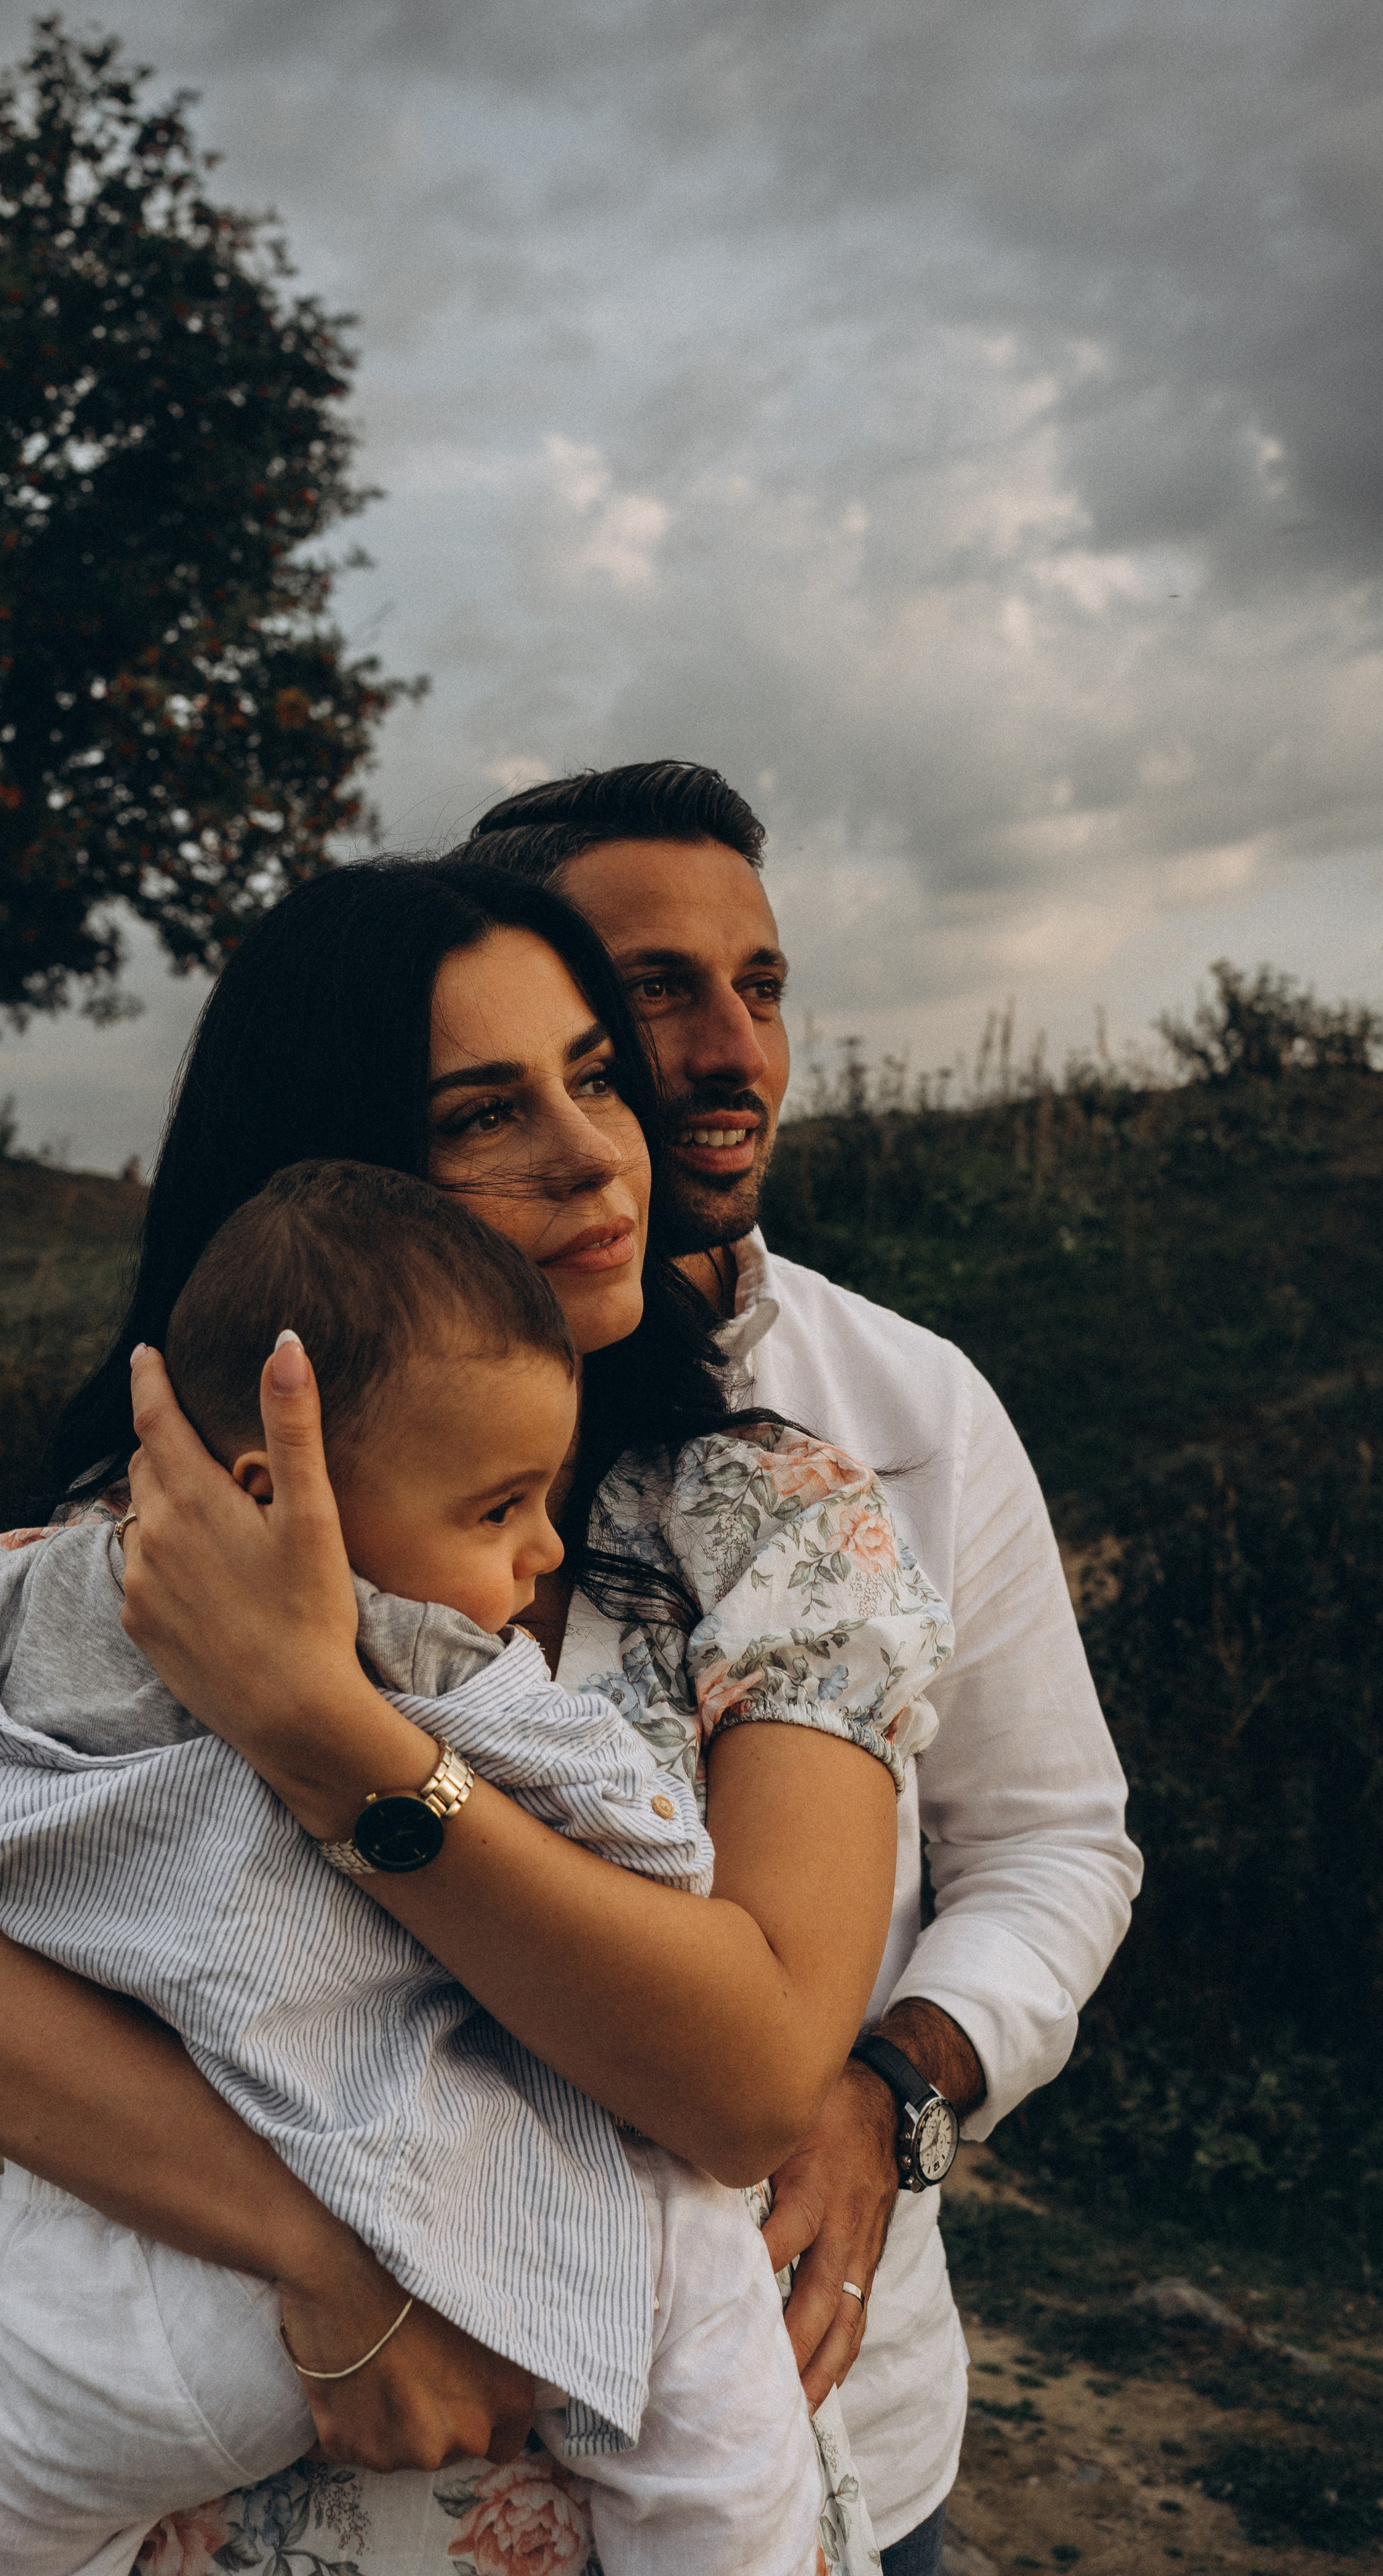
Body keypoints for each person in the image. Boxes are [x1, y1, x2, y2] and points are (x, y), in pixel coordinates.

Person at [0, 861, 919, 2576]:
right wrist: (341, 2272)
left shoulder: (762, 1520)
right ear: (335, 1175)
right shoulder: (137, 1553)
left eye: (593, 1075)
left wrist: (329, 1734)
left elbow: (746, 2077)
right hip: (241, 2509)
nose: (595, 1148)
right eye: (483, 1112)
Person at [459, 760, 1145, 2576]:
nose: (730, 1049)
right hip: (429, 2445)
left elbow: (1059, 1843)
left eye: (757, 987)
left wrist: (890, 2088)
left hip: (837, 2414)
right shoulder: (332, 1435)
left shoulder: (904, 1411)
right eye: (652, 991)